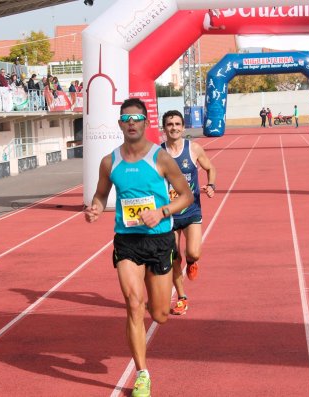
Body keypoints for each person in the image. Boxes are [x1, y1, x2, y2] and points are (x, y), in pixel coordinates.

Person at [85, 98, 193, 397]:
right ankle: (142, 373)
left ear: (146, 124)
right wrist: (94, 208)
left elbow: (186, 196)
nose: (131, 123)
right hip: (127, 241)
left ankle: (160, 295)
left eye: (137, 118)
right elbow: (100, 194)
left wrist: (162, 212)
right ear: (121, 124)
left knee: (158, 314)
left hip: (159, 240)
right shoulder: (110, 162)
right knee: (134, 304)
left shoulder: (161, 158)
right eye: (126, 118)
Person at [160, 110, 216, 316]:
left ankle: (192, 262)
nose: (173, 127)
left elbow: (211, 168)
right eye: (169, 124)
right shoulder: (158, 154)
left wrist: (211, 185)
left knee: (193, 252)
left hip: (191, 210)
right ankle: (182, 297)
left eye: (177, 124)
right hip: (169, 214)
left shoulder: (193, 149)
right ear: (164, 128)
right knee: (173, 258)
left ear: (183, 127)